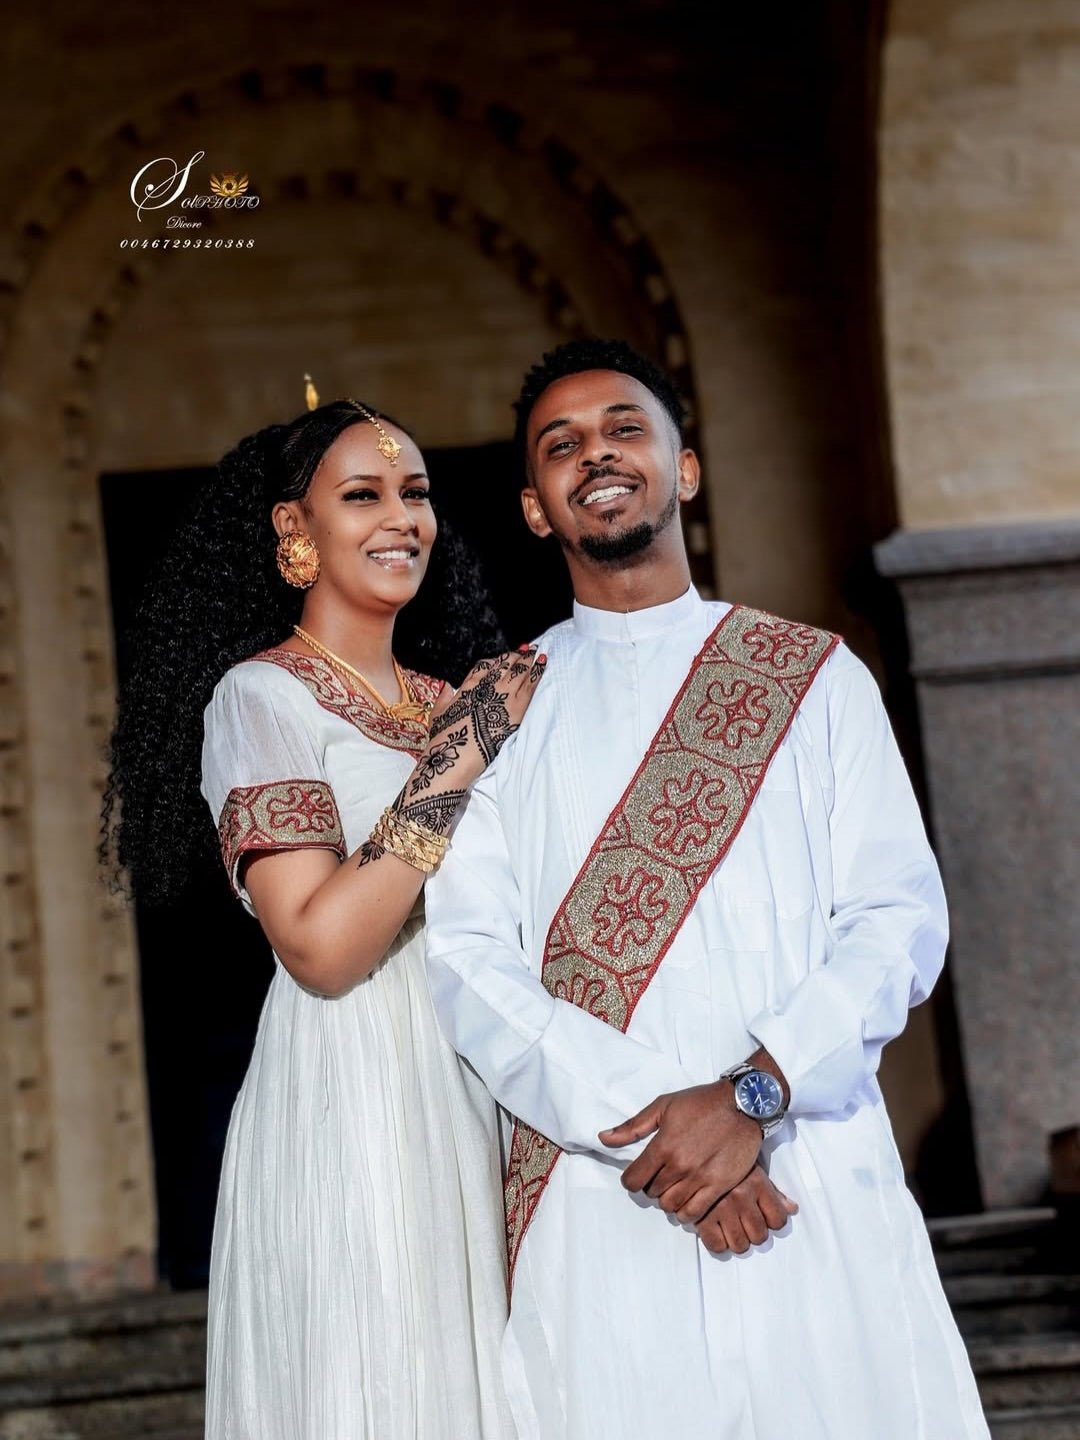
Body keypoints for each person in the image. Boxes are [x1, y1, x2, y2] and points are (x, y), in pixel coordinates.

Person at [423, 338, 990, 1440]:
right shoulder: (496, 711)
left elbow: (896, 922)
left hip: (806, 1169)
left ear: (684, 469)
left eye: (625, 429)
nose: (598, 456)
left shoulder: (814, 678)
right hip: (605, 1196)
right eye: (561, 446)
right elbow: (467, 965)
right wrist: (673, 1141)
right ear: (536, 508)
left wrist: (752, 1098)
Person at [102, 383, 544, 1439]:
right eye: (365, 494)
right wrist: (465, 751)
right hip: (364, 1083)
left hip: (502, 1074)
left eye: (418, 492)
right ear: (294, 531)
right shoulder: (263, 700)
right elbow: (324, 946)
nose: (404, 517)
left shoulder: (459, 697)